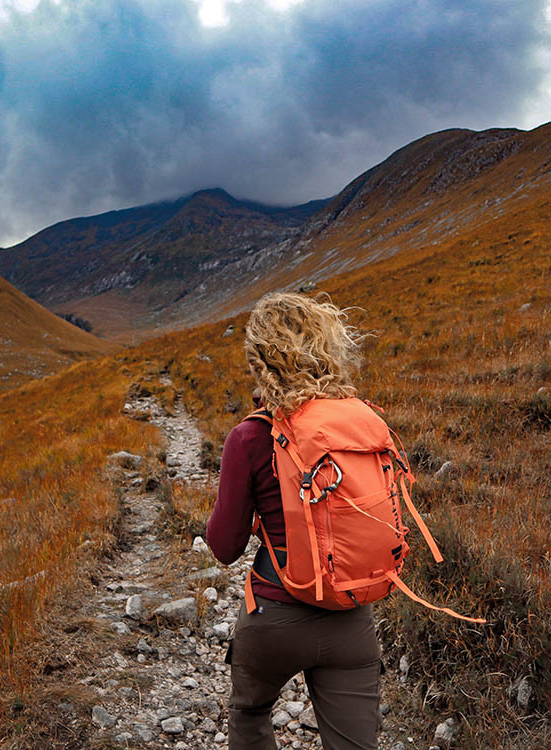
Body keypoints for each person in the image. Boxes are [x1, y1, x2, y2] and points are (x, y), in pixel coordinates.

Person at [206, 292, 381, 750]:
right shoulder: (360, 422)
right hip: (351, 618)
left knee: (249, 713)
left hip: (274, 616)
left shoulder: (248, 436)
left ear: (260, 361)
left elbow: (224, 547)